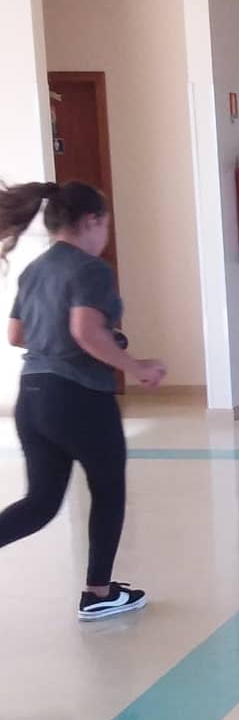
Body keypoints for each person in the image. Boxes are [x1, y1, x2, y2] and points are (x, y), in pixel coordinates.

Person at [1, 179, 165, 620]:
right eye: (105, 224)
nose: (105, 233)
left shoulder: (35, 269)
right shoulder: (92, 270)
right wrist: (136, 366)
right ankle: (98, 592)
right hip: (79, 398)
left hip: (32, 398)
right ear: (92, 221)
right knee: (108, 491)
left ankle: (101, 591)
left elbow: (16, 335)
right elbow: (84, 332)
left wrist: (82, 341)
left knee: (39, 504)